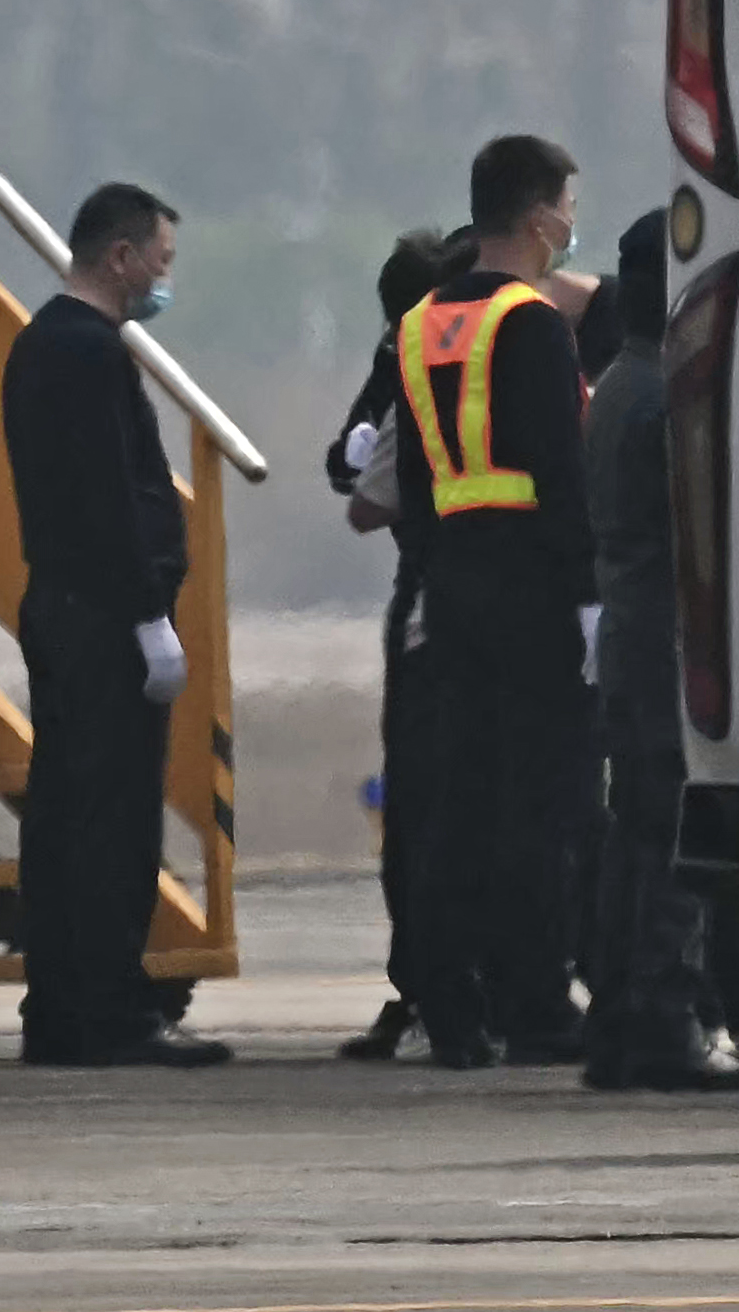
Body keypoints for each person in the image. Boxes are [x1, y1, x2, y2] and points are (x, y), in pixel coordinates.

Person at [376, 135, 596, 1070]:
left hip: (449, 581)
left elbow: (417, 481)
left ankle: (450, 1007)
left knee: (454, 802)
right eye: (567, 207)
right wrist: (589, 597)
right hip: (532, 583)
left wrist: (427, 580)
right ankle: (537, 1002)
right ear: (541, 216)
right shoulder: (534, 322)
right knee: (539, 803)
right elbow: (561, 468)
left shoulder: (420, 322)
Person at [6, 177, 219, 1069]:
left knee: (64, 812)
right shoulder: (89, 353)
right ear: (121, 256)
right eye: (159, 262)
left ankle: (62, 1005)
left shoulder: (38, 345)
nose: (161, 281)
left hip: (64, 606)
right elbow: (107, 500)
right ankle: (106, 1008)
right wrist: (146, 615)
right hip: (101, 618)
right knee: (109, 816)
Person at [575, 211, 739, 1097]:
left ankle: (620, 1024)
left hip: (629, 632)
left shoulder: (616, 384)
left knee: (634, 835)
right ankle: (669, 1020)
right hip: (668, 636)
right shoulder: (665, 397)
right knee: (674, 836)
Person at [329, 226, 454, 1063]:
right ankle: (429, 984)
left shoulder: (452, 342)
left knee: (439, 801)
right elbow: (347, 466)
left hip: (443, 590)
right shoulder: (410, 349)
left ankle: (441, 982)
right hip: (438, 592)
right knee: (423, 800)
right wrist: (359, 454)